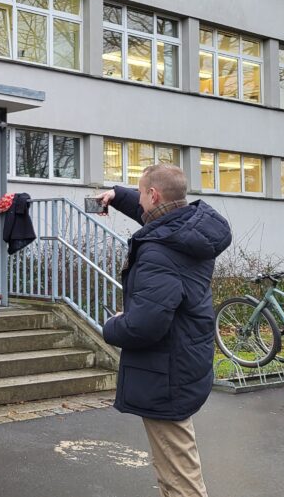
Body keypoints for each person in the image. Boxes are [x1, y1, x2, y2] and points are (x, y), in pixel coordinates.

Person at [94, 164, 231, 497]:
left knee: (179, 477)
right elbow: (157, 220)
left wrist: (112, 326)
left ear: (153, 195)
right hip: (184, 361)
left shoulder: (160, 250)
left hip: (166, 370)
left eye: (141, 194)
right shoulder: (189, 232)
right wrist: (119, 195)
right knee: (175, 465)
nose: (139, 202)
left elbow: (145, 325)